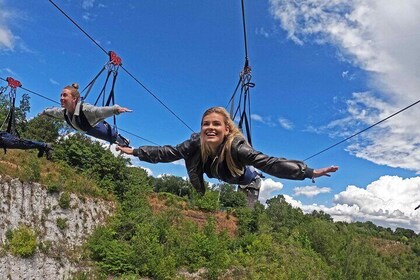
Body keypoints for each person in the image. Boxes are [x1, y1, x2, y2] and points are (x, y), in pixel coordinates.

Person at [116, 106, 338, 198]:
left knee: (253, 177)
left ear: (226, 129)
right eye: (206, 124)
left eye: (216, 124)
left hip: (242, 177)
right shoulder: (194, 144)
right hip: (216, 172)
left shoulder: (237, 147)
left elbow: (270, 163)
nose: (210, 127)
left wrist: (308, 172)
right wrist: (135, 152)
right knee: (189, 155)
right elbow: (167, 152)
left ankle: (254, 183)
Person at [41, 83, 132, 146]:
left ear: (74, 99)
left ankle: (124, 141)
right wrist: (45, 111)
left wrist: (115, 109)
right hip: (86, 128)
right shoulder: (64, 112)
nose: (61, 98)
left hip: (95, 126)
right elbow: (54, 112)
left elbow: (98, 111)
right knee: (110, 137)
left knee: (113, 137)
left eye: (64, 95)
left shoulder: (85, 109)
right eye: (61, 95)